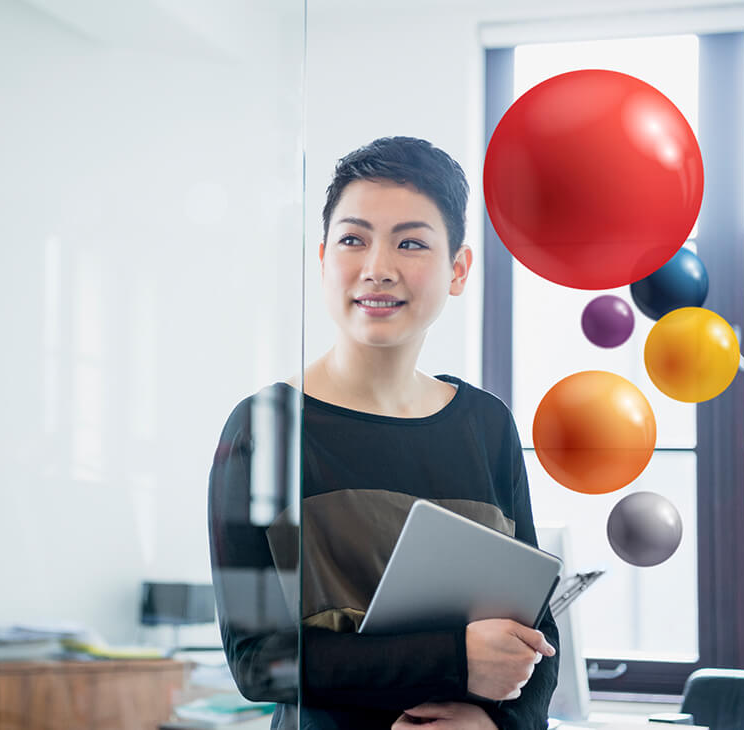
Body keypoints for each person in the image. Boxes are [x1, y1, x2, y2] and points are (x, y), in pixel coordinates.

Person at [208, 136, 559, 730]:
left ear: (458, 269)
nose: (377, 268)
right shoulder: (262, 430)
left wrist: (501, 725)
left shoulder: (486, 424)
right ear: (323, 258)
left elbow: (539, 633)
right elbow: (258, 663)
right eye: (353, 239)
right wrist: (454, 661)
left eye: (411, 243)